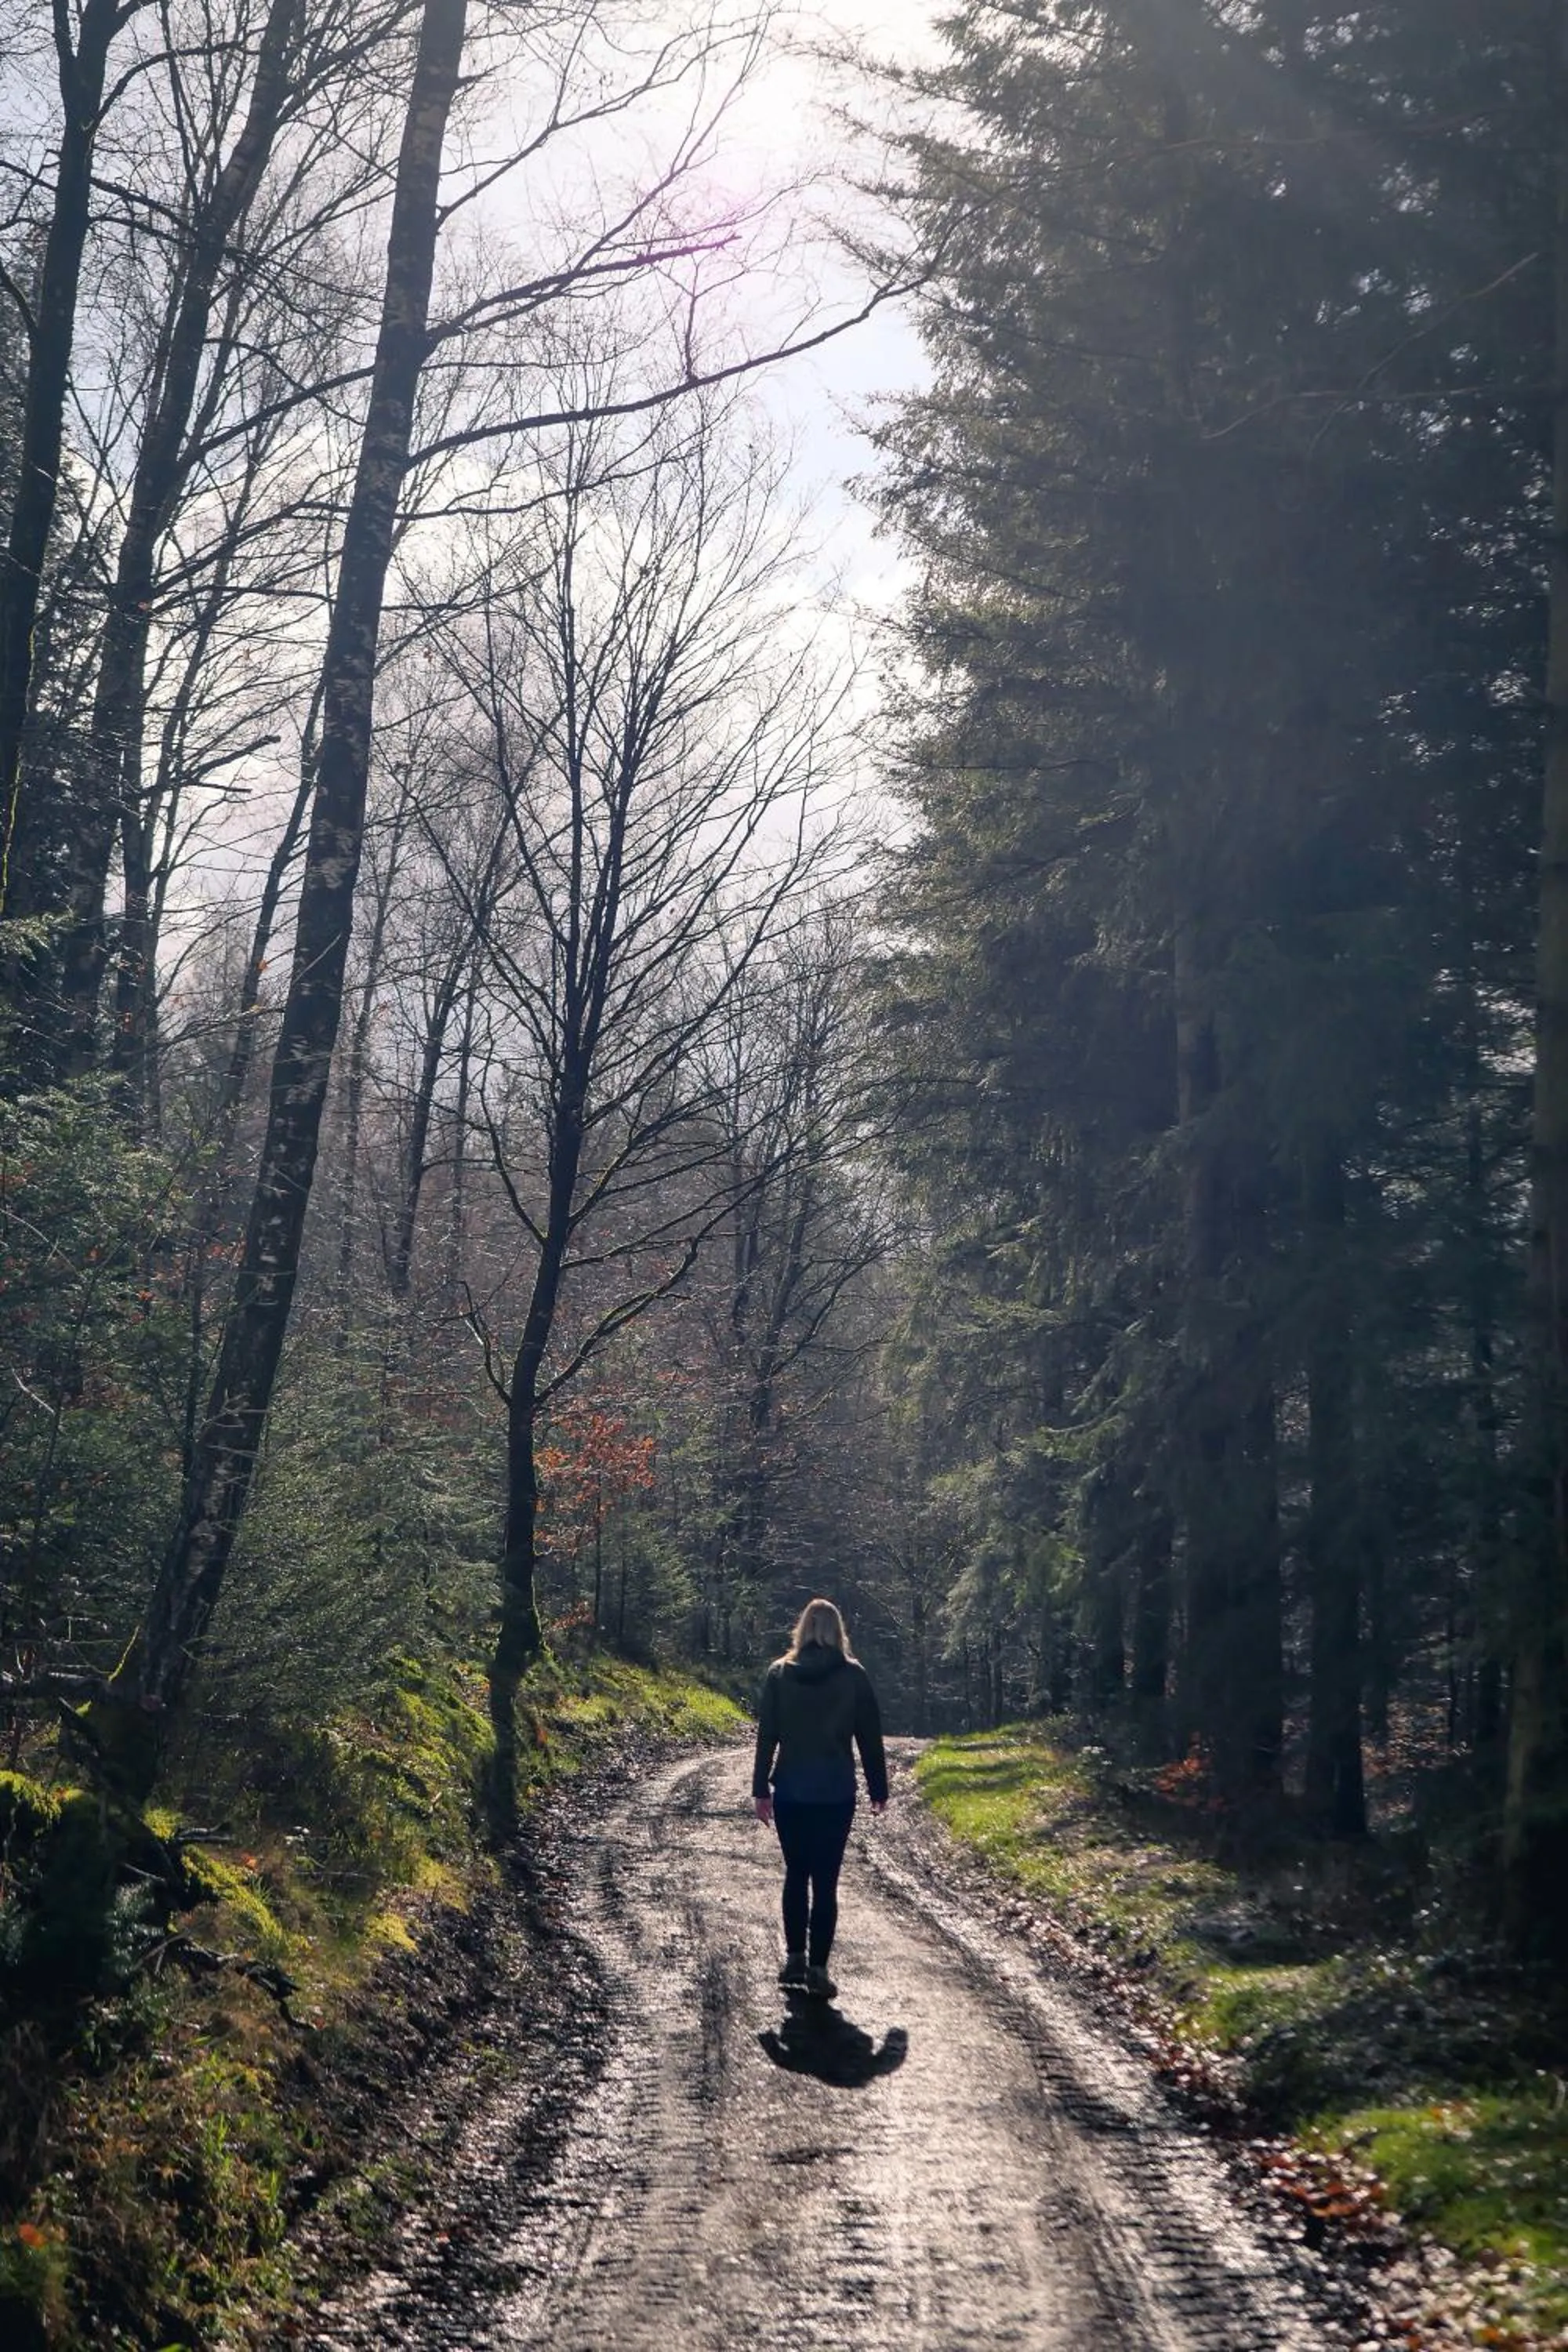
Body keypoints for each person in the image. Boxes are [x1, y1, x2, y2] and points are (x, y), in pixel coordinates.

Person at [752, 1598, 888, 2000]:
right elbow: (870, 1738)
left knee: (796, 1873)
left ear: (803, 1628)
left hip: (792, 1790)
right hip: (835, 1793)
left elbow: (767, 1736)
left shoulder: (780, 1675)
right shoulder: (854, 1677)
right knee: (825, 1882)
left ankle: (794, 1959)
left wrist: (761, 1788)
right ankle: (817, 1970)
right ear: (839, 1631)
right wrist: (878, 1788)